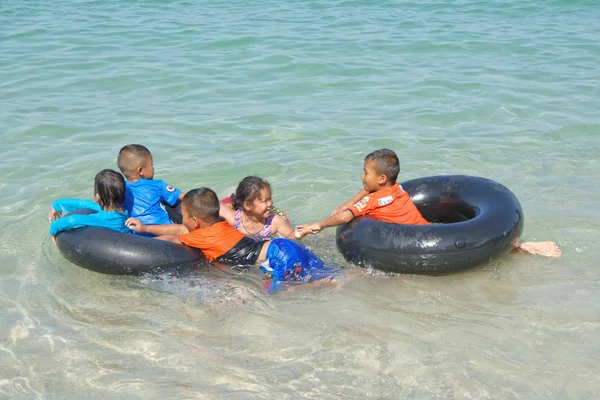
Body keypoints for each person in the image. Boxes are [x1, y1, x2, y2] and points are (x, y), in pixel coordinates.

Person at [297, 148, 561, 258]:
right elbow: (365, 194)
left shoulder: (372, 203)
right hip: (427, 228)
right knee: (478, 241)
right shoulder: (396, 189)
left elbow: (345, 219)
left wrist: (317, 225)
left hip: (421, 243)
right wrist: (349, 200)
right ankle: (517, 246)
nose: (362, 176)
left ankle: (519, 248)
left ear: (381, 178)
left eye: (365, 173)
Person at [125, 188, 339, 290]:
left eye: (186, 216)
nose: (185, 220)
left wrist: (142, 238)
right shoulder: (220, 225)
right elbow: (181, 229)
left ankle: (320, 285)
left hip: (277, 257)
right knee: (332, 273)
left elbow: (172, 238)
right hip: (282, 246)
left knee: (280, 294)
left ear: (196, 221)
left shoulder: (200, 236)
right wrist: (146, 226)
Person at [48, 169, 131, 244]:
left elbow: (73, 220)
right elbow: (84, 204)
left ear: (98, 197)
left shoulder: (103, 219)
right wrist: (58, 204)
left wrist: (53, 229)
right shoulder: (123, 209)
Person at [117, 144, 185, 226]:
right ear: (140, 170)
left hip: (136, 232)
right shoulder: (157, 185)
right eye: (151, 165)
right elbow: (186, 197)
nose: (153, 168)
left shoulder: (121, 188)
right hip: (163, 229)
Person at [219, 176, 295, 240]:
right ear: (247, 205)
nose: (270, 203)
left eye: (270, 198)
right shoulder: (235, 218)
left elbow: (291, 235)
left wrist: (298, 234)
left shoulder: (274, 222)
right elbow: (212, 206)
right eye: (265, 201)